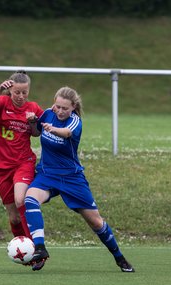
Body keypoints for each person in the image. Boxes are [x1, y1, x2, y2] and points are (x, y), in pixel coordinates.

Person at [25, 86, 135, 272]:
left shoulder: (75, 121)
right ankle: (40, 249)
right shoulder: (48, 113)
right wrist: (32, 122)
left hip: (71, 178)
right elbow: (36, 132)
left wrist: (52, 129)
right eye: (57, 106)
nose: (60, 111)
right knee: (30, 199)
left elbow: (67, 133)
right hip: (47, 174)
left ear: (73, 107)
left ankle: (119, 257)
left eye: (64, 108)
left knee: (96, 222)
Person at [0, 71, 44, 239]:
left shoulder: (33, 108)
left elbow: (36, 133)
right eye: (17, 92)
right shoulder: (2, 102)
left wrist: (33, 122)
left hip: (23, 162)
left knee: (20, 200)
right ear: (10, 90)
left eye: (24, 92)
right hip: (1, 167)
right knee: (14, 217)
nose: (21, 96)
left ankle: (36, 246)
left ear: (29, 91)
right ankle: (22, 247)